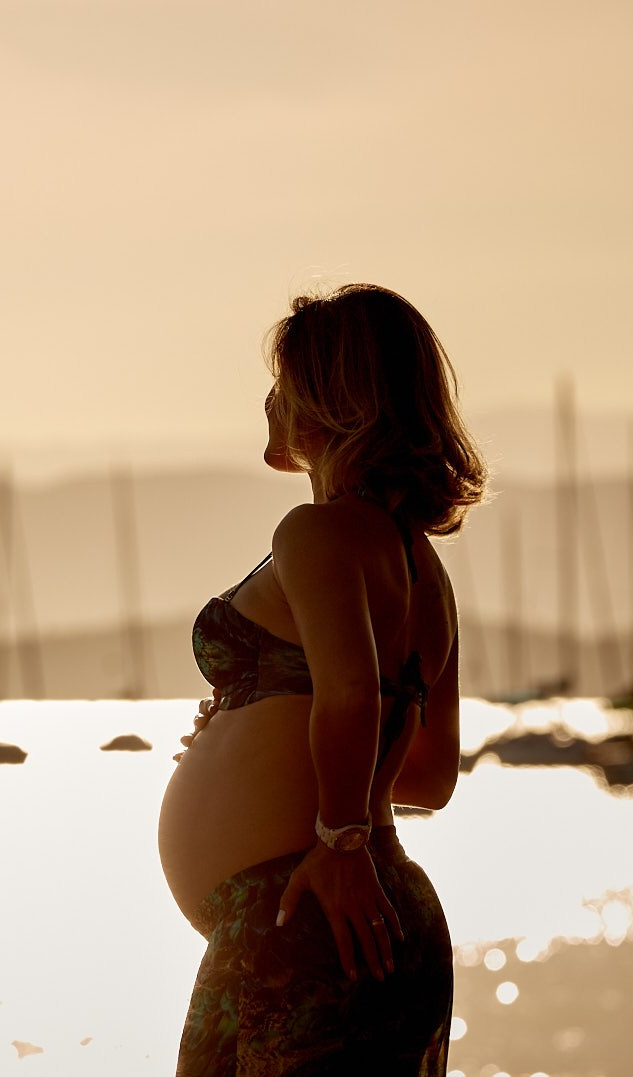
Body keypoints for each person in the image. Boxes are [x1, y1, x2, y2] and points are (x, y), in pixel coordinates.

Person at [157, 284, 486, 1074]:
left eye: (284, 380)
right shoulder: (421, 567)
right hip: (372, 908)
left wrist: (339, 841)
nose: (269, 399)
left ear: (329, 398)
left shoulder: (315, 532)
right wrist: (256, 726)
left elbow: (347, 694)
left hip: (311, 914)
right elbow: (430, 774)